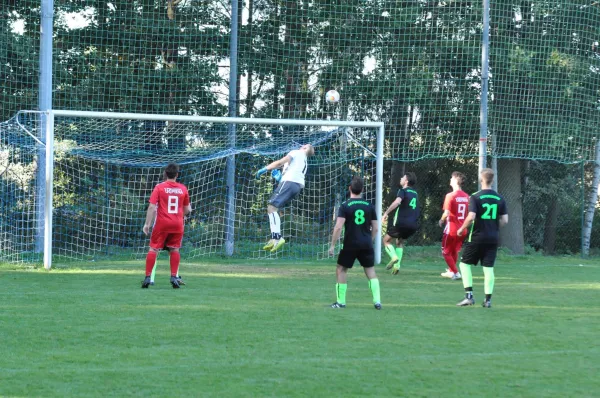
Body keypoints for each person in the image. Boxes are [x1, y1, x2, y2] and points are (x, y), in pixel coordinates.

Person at [456, 168, 508, 308]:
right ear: (493, 180)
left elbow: (471, 216)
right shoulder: (500, 198)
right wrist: (493, 226)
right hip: (493, 238)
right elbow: (505, 221)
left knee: (464, 264)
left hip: (477, 237)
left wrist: (461, 229)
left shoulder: (475, 196)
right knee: (488, 268)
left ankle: (469, 297)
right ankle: (488, 300)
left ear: (481, 179)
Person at [328, 176, 381, 310]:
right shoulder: (369, 206)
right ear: (362, 190)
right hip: (366, 244)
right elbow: (375, 227)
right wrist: (370, 240)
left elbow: (338, 226)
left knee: (341, 269)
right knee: (370, 271)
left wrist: (332, 245)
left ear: (349, 188)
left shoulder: (345, 205)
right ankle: (377, 301)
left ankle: (341, 302)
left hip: (350, 244)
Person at [256, 144, 315, 252]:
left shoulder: (296, 152)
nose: (301, 145)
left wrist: (265, 169)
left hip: (290, 182)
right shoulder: (303, 160)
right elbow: (293, 173)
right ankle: (275, 238)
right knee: (273, 208)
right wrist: (280, 178)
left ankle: (277, 238)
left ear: (305, 149)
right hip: (296, 187)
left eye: (304, 145)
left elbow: (279, 162)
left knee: (271, 207)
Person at [141, 163, 192, 289]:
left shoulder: (159, 187)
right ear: (177, 175)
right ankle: (174, 277)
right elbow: (188, 209)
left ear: (165, 174)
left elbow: (152, 207)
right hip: (177, 224)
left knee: (153, 249)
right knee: (174, 249)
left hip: (162, 223)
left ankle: (148, 277)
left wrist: (147, 224)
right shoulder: (183, 189)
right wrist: (180, 215)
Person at [382, 172, 419, 275]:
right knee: (399, 242)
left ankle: (394, 257)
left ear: (406, 181)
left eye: (402, 177)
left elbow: (397, 202)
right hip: (413, 225)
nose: (401, 179)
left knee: (386, 241)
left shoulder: (403, 191)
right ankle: (397, 267)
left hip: (402, 223)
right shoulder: (415, 193)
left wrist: (386, 213)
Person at [439, 171, 469, 280]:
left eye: (452, 178)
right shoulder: (467, 196)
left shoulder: (450, 196)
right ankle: (451, 271)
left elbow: (446, 213)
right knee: (454, 251)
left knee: (445, 251)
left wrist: (441, 220)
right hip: (463, 229)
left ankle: (456, 273)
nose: (450, 180)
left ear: (456, 181)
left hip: (452, 228)